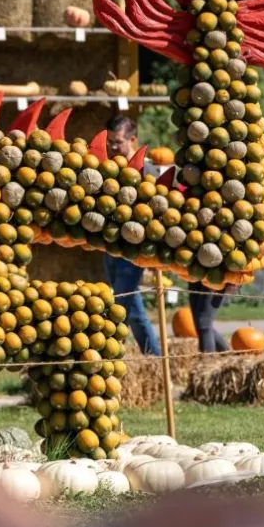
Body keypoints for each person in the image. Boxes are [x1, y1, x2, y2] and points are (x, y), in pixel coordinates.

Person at [101, 114, 162, 356]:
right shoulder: (108, 168)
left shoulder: (147, 171)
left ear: (132, 140)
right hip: (111, 247)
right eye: (109, 142)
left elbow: (159, 211)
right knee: (127, 306)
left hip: (133, 250)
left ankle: (112, 357)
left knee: (123, 306)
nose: (112, 147)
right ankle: (149, 358)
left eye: (117, 142)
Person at [189, 280, 235, 353]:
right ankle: (225, 352)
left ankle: (208, 359)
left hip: (214, 276)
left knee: (204, 322)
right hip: (194, 277)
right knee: (199, 324)